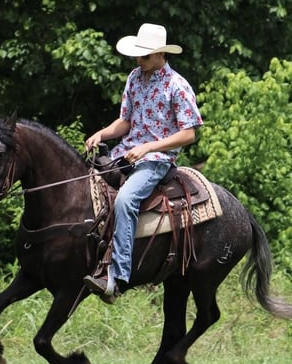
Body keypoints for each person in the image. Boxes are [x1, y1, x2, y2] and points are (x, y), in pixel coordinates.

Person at [83, 23, 203, 303]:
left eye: (145, 55)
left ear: (161, 54)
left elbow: (189, 134)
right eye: (138, 54)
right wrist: (102, 133)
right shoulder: (135, 77)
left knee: (125, 200)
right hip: (126, 152)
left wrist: (148, 147)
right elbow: (125, 121)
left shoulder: (177, 85)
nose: (139, 60)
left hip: (157, 160)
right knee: (86, 186)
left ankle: (117, 276)